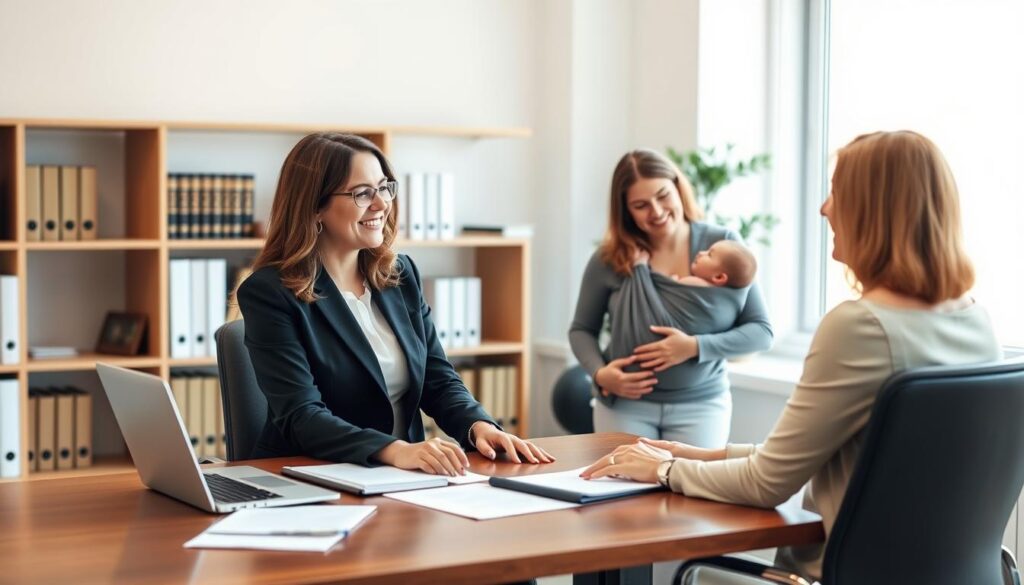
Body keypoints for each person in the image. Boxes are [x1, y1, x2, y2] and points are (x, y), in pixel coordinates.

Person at [581, 130, 1002, 580]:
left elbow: (766, 484)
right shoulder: (978, 323)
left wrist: (665, 469)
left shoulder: (860, 326)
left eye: (836, 192)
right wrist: (703, 455)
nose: (824, 208)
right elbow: (814, 454)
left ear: (873, 211)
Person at [237, 132, 553, 476]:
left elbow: (437, 377)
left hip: (401, 479)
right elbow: (301, 415)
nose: (381, 204)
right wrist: (394, 450)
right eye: (362, 193)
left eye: (385, 187)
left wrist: (479, 426)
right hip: (311, 477)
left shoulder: (399, 275)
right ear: (315, 206)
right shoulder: (270, 292)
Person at [568, 149, 773, 448]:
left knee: (693, 491)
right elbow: (581, 329)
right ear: (625, 211)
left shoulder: (722, 246)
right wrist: (600, 374)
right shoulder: (611, 258)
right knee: (619, 493)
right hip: (624, 407)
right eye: (640, 205)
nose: (656, 211)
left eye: (663, 195)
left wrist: (693, 346)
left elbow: (761, 332)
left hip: (701, 407)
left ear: (678, 187)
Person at [667, 240, 757, 288]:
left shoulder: (695, 283)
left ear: (718, 277)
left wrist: (673, 279)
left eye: (709, 254)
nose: (701, 253)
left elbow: (670, 286)